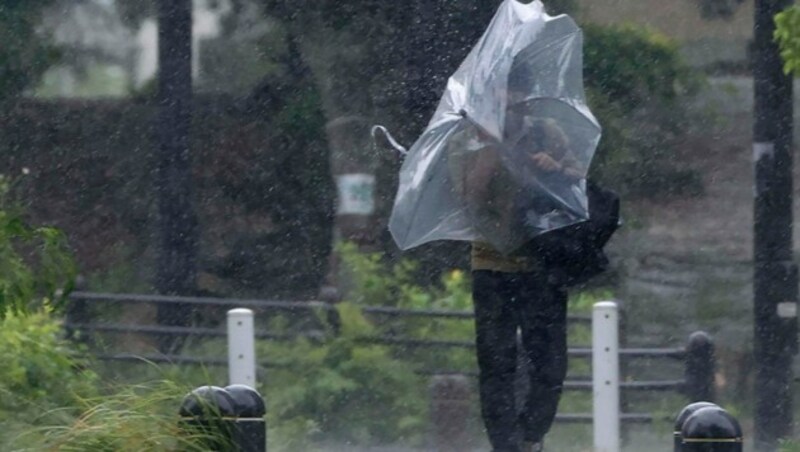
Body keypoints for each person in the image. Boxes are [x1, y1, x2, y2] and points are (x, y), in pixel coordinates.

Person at [447, 112, 582, 452]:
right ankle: (505, 445)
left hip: (541, 260)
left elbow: (580, 184)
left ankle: (531, 435)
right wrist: (491, 151)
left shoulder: (546, 131)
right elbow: (468, 198)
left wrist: (556, 169)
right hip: (492, 263)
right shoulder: (469, 140)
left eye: (517, 95)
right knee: (496, 361)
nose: (510, 105)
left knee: (550, 362)